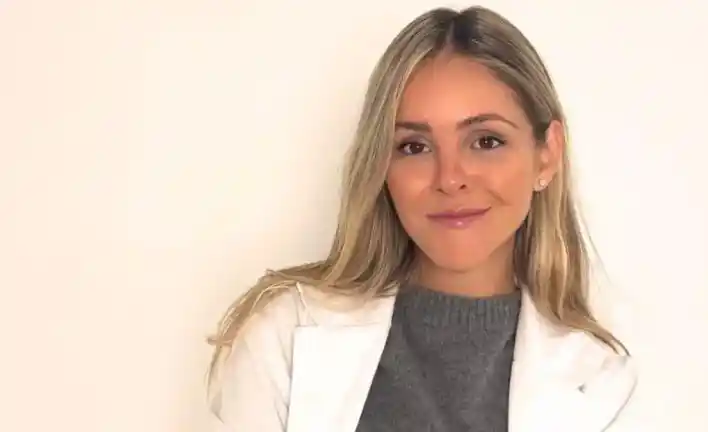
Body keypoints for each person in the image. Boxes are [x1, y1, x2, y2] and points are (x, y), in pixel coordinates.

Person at [207, 5, 637, 432]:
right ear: (381, 167)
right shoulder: (284, 337)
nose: (449, 179)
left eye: (486, 141)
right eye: (414, 147)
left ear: (547, 155)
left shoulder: (605, 382)